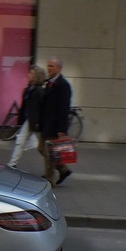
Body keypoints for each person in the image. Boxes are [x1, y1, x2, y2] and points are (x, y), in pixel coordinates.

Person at [38, 56, 73, 185]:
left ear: (59, 68)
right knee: (41, 148)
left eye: (52, 66)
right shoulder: (48, 82)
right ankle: (63, 169)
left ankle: (49, 179)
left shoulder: (63, 85)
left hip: (54, 125)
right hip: (45, 123)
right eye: (48, 66)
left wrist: (62, 129)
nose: (49, 68)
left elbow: (64, 108)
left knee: (49, 152)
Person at [8, 65, 46, 168]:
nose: (28, 75)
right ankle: (12, 164)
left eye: (31, 73)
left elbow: (42, 108)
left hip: (37, 122)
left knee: (42, 148)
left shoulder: (39, 91)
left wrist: (39, 122)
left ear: (36, 76)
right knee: (20, 141)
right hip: (29, 120)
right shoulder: (29, 89)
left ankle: (60, 167)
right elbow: (25, 106)